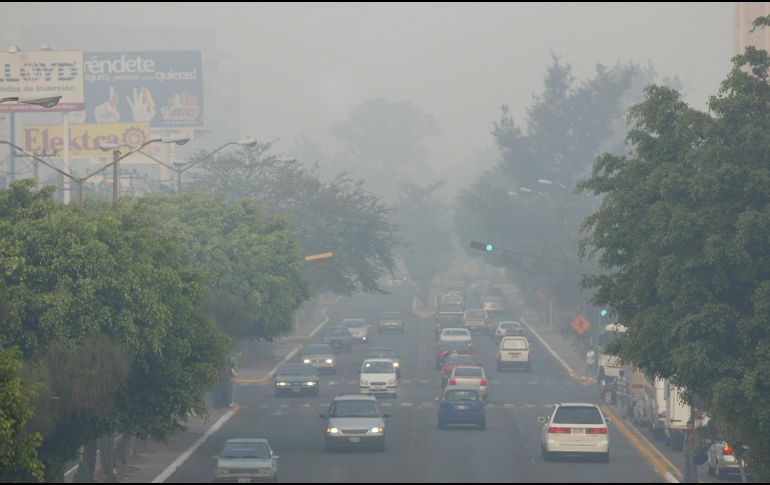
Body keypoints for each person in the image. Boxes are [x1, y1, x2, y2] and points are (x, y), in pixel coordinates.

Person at [683, 418, 701, 483]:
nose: (690, 427)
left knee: (693, 469)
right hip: (686, 453)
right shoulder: (686, 432)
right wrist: (684, 451)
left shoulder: (695, 433)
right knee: (686, 468)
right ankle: (687, 481)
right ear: (687, 426)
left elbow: (697, 443)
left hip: (692, 454)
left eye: (691, 426)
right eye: (689, 425)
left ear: (693, 426)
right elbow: (684, 443)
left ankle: (694, 481)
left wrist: (692, 451)